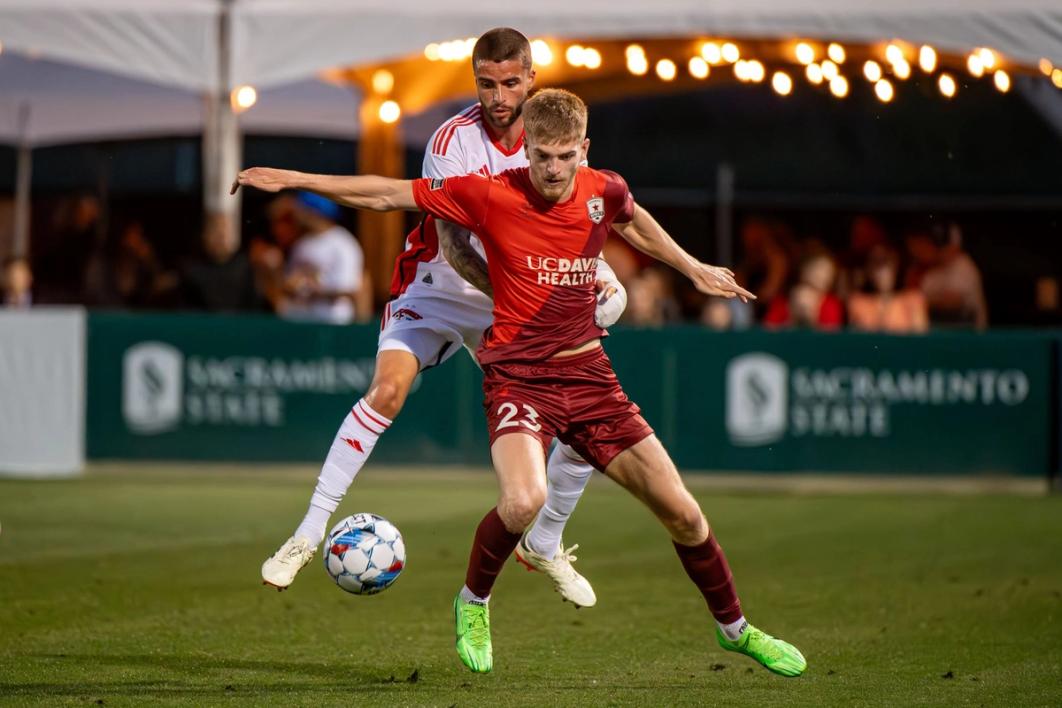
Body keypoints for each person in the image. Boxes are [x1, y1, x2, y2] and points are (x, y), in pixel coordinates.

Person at [233, 88, 806, 678]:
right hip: (518, 377)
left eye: (564, 157)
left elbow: (636, 223)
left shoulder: (603, 188)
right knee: (522, 499)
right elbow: (386, 193)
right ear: (525, 151)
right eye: (541, 157)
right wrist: (295, 177)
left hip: (589, 378)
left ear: (583, 149)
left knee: (684, 514)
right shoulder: (489, 194)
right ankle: (473, 601)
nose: (553, 170)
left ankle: (735, 630)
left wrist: (695, 269)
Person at [256, 28, 625, 609]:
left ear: (531, 78)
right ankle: (306, 533)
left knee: (579, 407)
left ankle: (547, 538)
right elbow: (452, 244)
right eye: (486, 83)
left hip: (510, 298)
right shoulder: (452, 141)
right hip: (438, 286)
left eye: (509, 83)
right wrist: (521, 295)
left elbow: (570, 218)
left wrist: (590, 271)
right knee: (388, 390)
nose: (499, 97)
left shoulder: (553, 137)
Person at [278, 192, 365, 324]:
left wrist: (314, 290)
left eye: (300, 209)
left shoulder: (343, 243)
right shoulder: (302, 243)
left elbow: (350, 289)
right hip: (301, 320)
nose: (296, 214)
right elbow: (290, 281)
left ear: (313, 212)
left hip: (331, 322)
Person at [182, 212, 267, 312]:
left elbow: (254, 309)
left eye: (225, 231)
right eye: (215, 231)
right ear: (205, 235)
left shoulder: (246, 268)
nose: (221, 237)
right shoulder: (193, 271)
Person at [847, 243, 928, 333]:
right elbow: (856, 339)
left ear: (897, 266)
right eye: (876, 265)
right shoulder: (858, 302)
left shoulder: (913, 299)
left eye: (887, 265)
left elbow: (920, 339)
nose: (883, 272)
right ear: (868, 270)